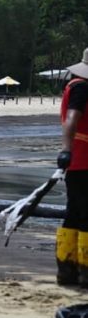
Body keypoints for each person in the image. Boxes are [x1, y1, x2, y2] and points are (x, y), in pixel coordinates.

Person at [55, 47, 88, 287]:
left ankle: (67, 270)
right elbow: (72, 119)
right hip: (84, 160)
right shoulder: (82, 88)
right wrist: (66, 150)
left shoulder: (75, 85)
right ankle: (85, 271)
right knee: (85, 215)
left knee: (74, 213)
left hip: (77, 161)